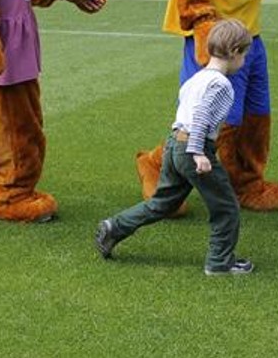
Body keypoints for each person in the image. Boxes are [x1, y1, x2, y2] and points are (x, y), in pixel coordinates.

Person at [95, 18, 255, 276]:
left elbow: (184, 106)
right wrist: (198, 152)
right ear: (234, 52)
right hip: (195, 147)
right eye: (244, 55)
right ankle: (219, 263)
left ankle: (116, 226)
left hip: (173, 143)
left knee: (162, 203)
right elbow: (202, 115)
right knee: (226, 207)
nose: (244, 61)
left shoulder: (196, 79)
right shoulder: (221, 84)